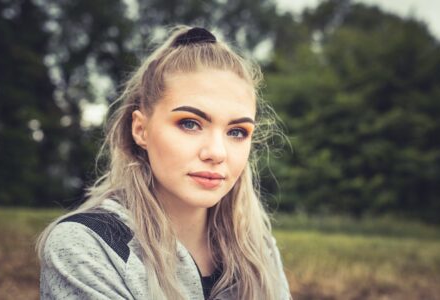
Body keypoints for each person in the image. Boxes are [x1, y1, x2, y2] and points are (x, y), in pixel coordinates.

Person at [36, 25, 290, 300]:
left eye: (237, 132)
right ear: (140, 130)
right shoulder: (88, 246)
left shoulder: (259, 250)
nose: (217, 152)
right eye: (190, 124)